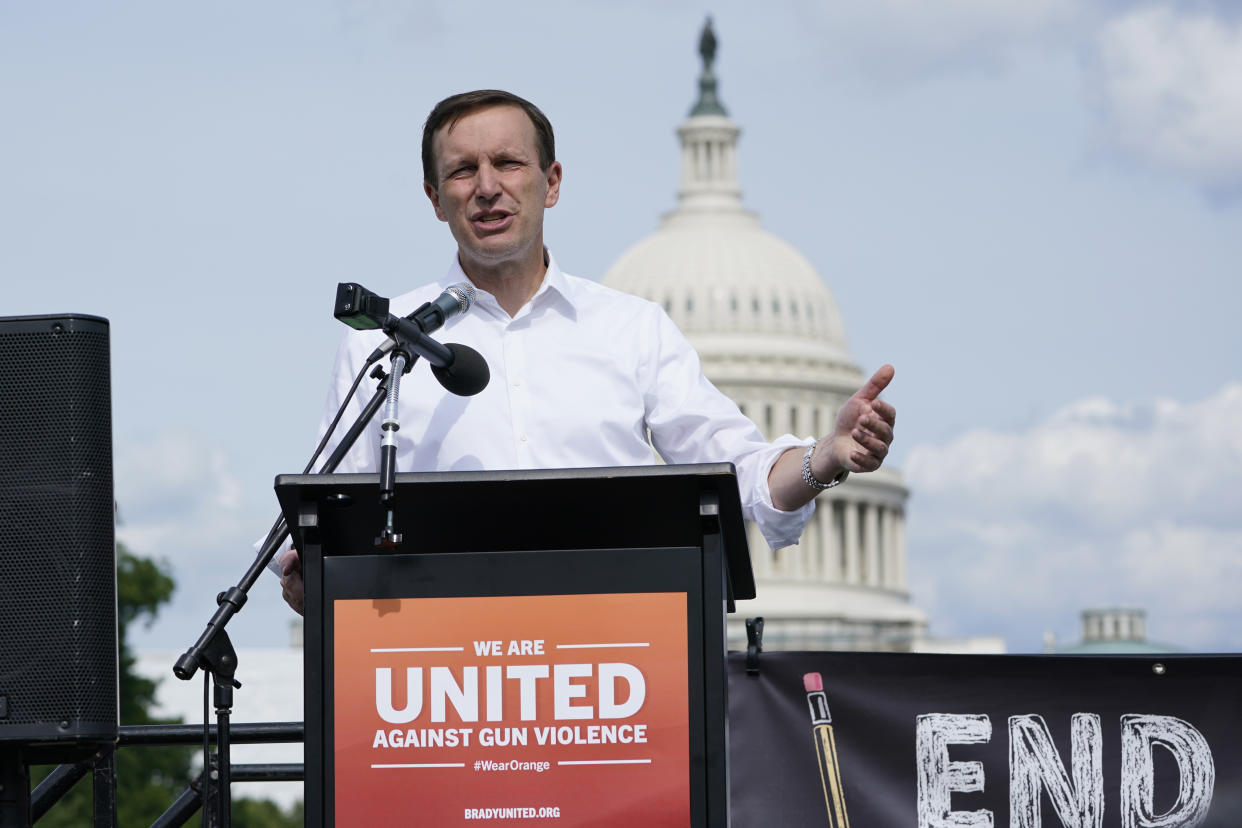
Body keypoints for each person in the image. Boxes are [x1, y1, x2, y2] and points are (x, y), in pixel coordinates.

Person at [279, 90, 895, 614]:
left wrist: (826, 455)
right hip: (440, 677)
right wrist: (301, 571)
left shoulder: (632, 329)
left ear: (551, 184)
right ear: (435, 198)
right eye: (463, 170)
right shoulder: (383, 340)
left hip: (610, 666)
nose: (487, 187)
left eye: (509, 163)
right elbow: (324, 510)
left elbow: (740, 475)